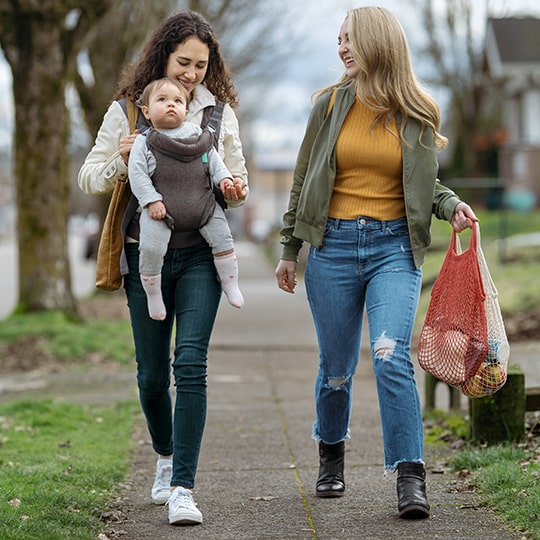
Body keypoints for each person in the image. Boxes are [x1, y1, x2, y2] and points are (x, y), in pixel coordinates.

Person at [275, 6, 477, 519]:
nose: (341, 48)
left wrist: (450, 205)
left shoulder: (417, 110)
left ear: (377, 43)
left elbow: (423, 184)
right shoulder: (327, 106)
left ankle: (410, 475)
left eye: (350, 39)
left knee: (390, 356)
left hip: (393, 248)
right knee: (337, 368)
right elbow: (303, 181)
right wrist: (288, 250)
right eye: (339, 40)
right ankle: (331, 453)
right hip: (333, 246)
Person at [78, 10, 248, 526]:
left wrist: (234, 191)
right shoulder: (128, 111)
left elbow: (234, 180)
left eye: (201, 65)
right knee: (152, 378)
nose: (191, 74)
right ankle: (165, 454)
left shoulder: (219, 116)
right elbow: (90, 177)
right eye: (183, 62)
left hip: (200, 254)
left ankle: (183, 487)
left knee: (190, 365)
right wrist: (121, 157)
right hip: (144, 254)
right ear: (162, 56)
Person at [129, 77, 244, 320]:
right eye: (162, 100)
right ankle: (153, 295)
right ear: (147, 112)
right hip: (161, 211)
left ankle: (230, 283)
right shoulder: (144, 142)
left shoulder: (198, 135)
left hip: (202, 207)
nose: (171, 104)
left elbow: (215, 161)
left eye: (177, 101)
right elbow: (137, 175)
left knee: (223, 237)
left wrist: (224, 180)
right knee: (150, 248)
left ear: (186, 109)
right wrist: (151, 201)